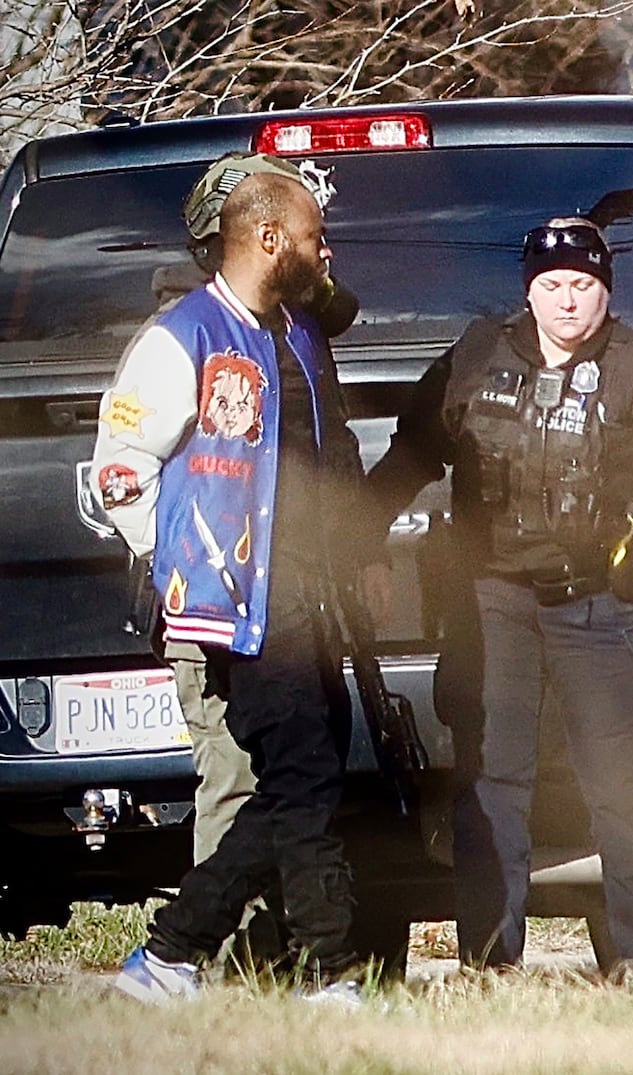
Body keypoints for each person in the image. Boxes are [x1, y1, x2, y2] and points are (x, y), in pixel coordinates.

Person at [362, 217, 633, 972]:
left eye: (583, 286)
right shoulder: (477, 354)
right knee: (491, 784)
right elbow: (411, 454)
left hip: (605, 601)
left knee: (626, 787)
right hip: (494, 605)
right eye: (552, 286)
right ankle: (489, 964)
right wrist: (351, 537)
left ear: (605, 291)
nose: (567, 302)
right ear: (529, 291)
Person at [93, 153, 390, 1002]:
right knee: (297, 779)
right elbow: (119, 469)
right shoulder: (181, 337)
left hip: (311, 600)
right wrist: (179, 560)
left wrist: (359, 554)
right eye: (312, 236)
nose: (324, 252)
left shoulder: (295, 334)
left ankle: (170, 957)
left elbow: (330, 458)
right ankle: (330, 972)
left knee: (304, 783)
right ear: (268, 238)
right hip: (236, 611)